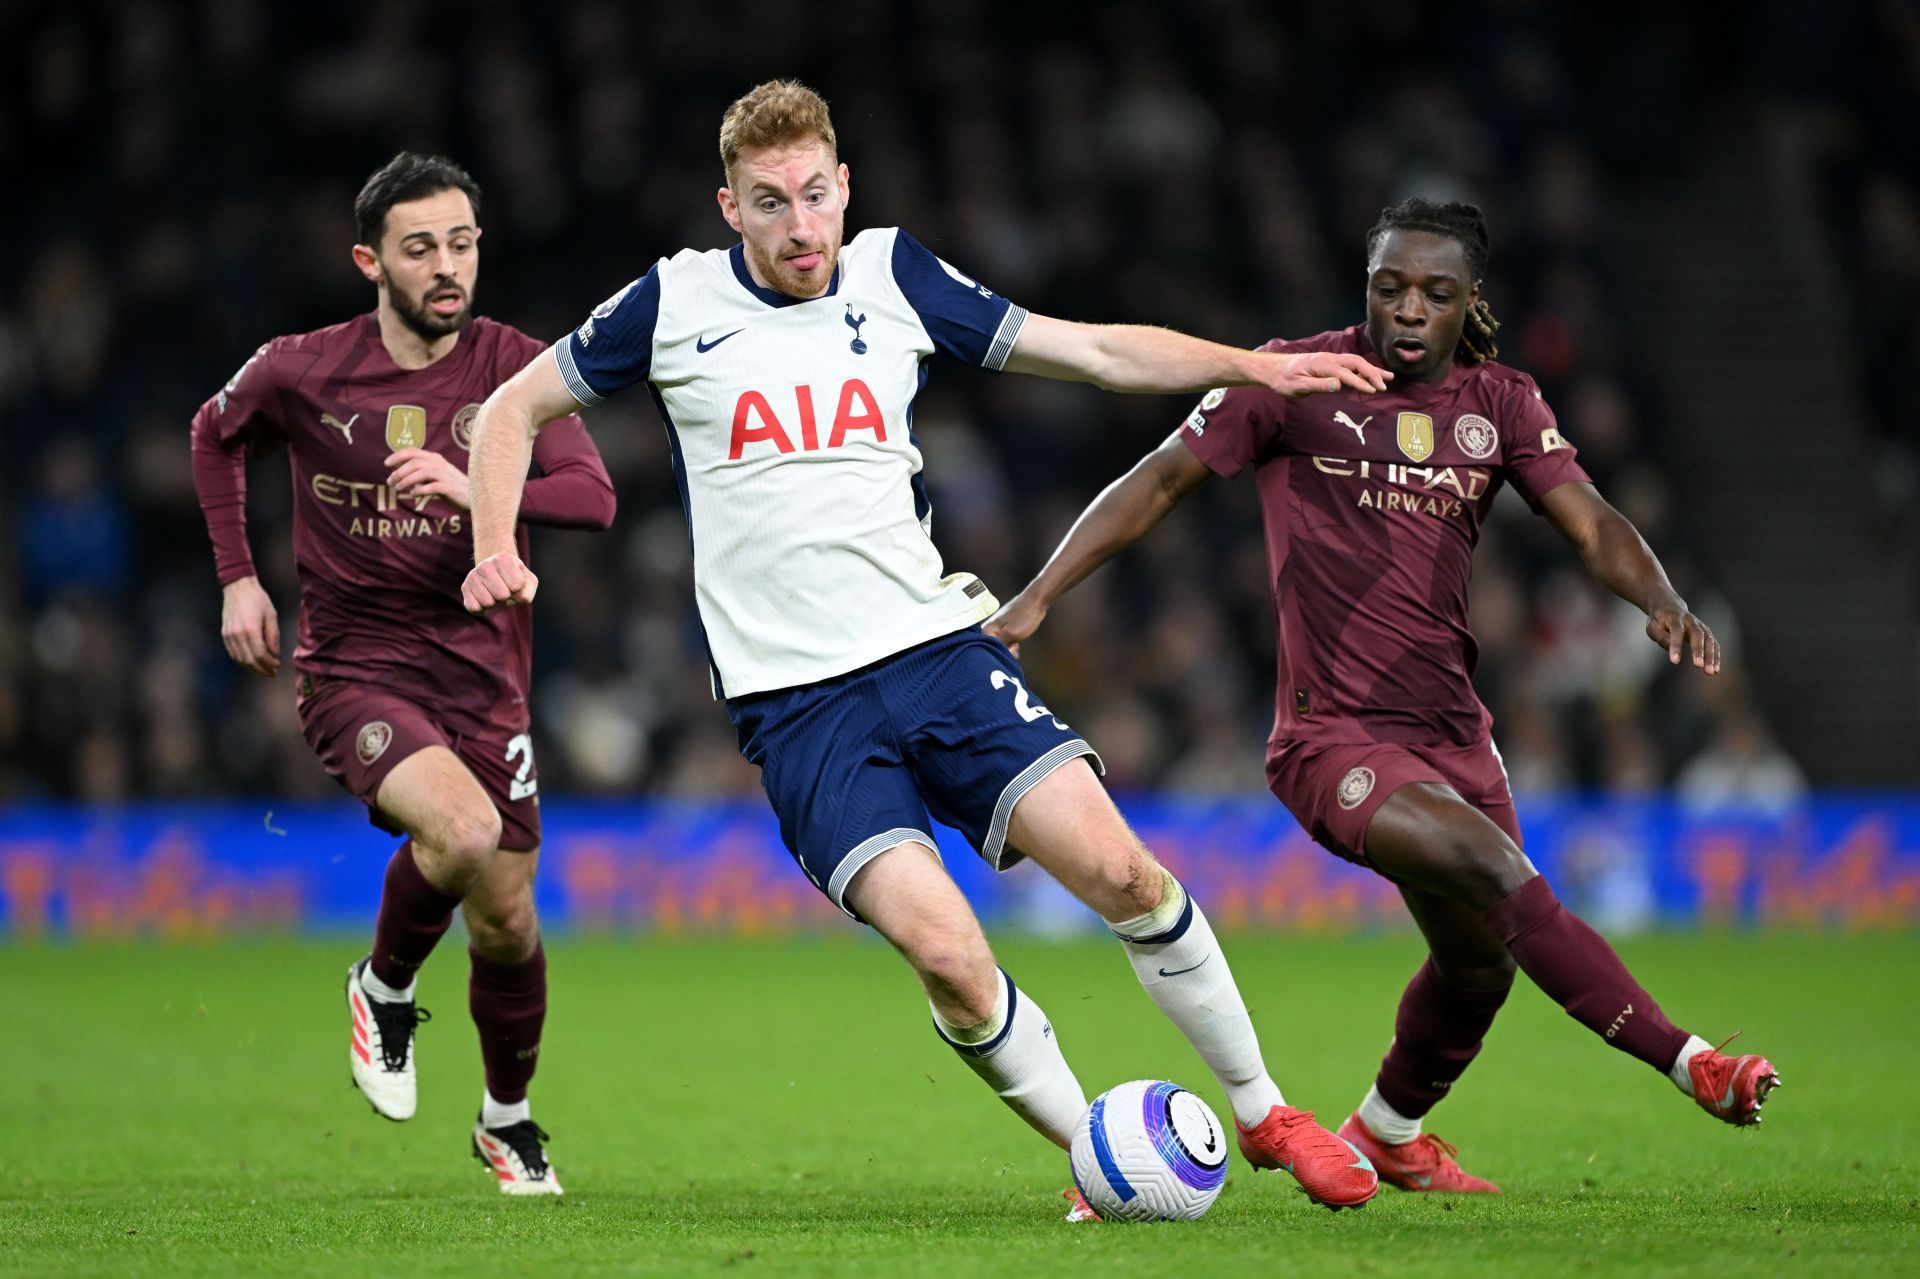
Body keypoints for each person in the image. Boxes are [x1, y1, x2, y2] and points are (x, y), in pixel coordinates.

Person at [460, 80, 1392, 1220]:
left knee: (1125, 874)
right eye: (770, 203)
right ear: (730, 208)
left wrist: (1252, 364)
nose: (802, 226)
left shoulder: (894, 274)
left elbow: (1091, 351)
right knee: (948, 955)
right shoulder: (672, 303)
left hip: (936, 651)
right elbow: (505, 412)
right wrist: (493, 545)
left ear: (844, 185)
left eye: (815, 195)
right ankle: (1099, 1155)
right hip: (800, 710)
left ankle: (1264, 1114)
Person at [986, 197, 1781, 1196]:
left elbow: (1590, 523)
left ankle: (1389, 1130)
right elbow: (1157, 480)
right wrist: (1036, 599)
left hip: (1455, 736)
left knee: (1479, 967)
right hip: (1333, 740)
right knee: (1497, 871)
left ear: (1467, 304)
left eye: (1434, 294)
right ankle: (1695, 1061)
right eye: (1389, 287)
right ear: (1365, 284)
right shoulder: (1294, 379)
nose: (1407, 310)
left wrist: (1659, 593)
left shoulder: (1502, 402)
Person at [190, 152, 615, 1196]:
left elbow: (594, 498)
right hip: (355, 666)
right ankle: (381, 989)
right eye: (421, 247)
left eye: (462, 243)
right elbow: (214, 433)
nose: (447, 266)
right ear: (369, 261)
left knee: (509, 919)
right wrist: (241, 580)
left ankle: (506, 1120)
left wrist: (478, 489)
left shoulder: (517, 372)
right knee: (460, 832)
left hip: (485, 676)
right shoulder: (302, 368)